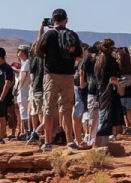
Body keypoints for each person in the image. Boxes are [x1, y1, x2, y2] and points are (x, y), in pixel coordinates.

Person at [36, 9, 82, 151]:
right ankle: (70, 140)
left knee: (49, 109)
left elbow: (38, 52)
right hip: (68, 75)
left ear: (52, 20)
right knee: (67, 109)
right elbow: (79, 55)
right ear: (66, 20)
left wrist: (41, 31)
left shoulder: (49, 34)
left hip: (51, 75)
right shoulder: (72, 34)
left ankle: (48, 141)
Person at [16, 45, 34, 139]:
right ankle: (27, 132)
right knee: (25, 111)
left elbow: (23, 75)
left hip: (24, 92)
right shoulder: (26, 63)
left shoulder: (26, 63)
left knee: (24, 112)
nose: (17, 53)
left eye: (19, 51)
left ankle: (27, 132)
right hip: (25, 91)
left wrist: (19, 87)